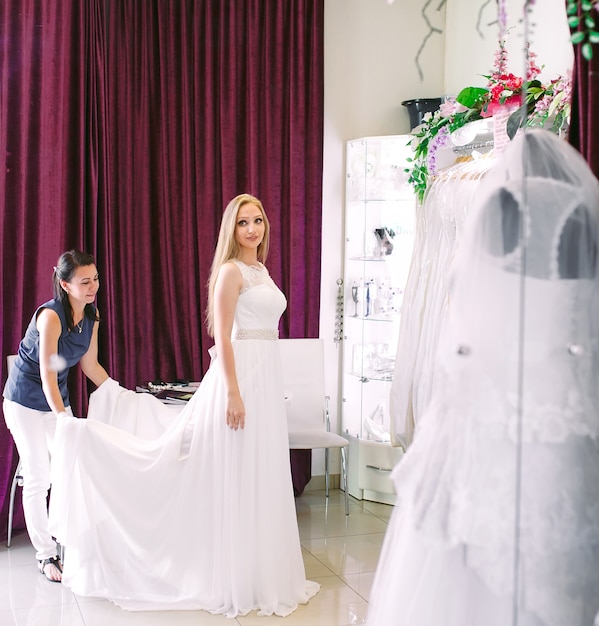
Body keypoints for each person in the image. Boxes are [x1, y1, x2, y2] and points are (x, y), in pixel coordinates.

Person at [366, 130, 599, 626]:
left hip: (486, 393)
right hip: (561, 399)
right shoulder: (580, 216)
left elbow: (464, 315)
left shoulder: (495, 213)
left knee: (462, 540)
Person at [48, 194, 320, 617]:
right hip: (241, 377)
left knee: (259, 470)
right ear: (232, 229)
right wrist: (233, 391)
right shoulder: (231, 272)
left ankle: (259, 572)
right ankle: (232, 575)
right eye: (244, 222)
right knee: (235, 470)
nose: (252, 229)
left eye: (258, 220)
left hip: (266, 375)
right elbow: (223, 338)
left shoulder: (260, 270)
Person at [3, 250, 110, 583]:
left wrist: (120, 392)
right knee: (38, 475)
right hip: (24, 402)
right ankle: (45, 554)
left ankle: (74, 539)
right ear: (65, 284)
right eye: (84, 281)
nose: (93, 286)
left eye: (95, 278)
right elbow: (48, 374)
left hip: (55, 401)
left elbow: (90, 367)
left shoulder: (91, 317)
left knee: (74, 465)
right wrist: (64, 417)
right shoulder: (50, 317)